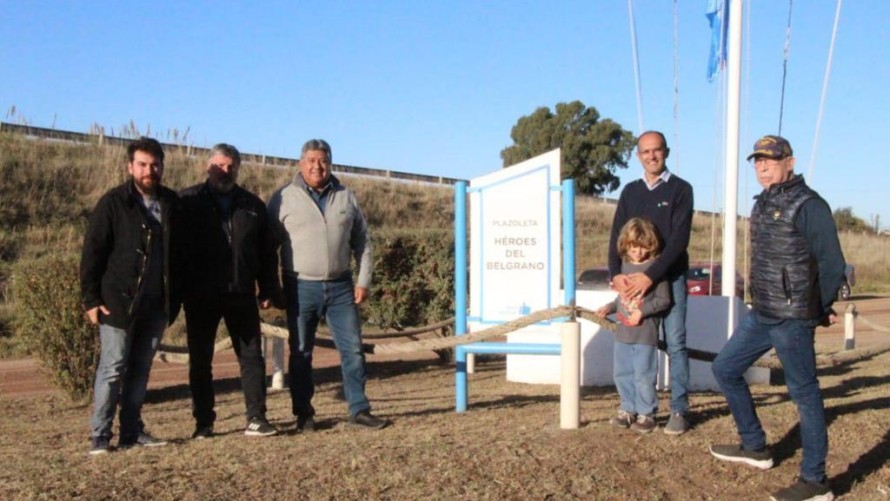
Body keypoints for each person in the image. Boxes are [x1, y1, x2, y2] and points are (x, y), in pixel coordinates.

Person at [710, 135, 845, 501]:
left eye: (770, 159)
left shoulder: (809, 205)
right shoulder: (764, 201)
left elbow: (832, 263)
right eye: (758, 161)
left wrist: (819, 308)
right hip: (763, 312)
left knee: (804, 394)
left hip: (793, 318)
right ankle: (755, 447)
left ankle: (815, 482)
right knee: (725, 368)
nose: (763, 166)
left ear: (790, 162)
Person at [267, 139, 388, 431]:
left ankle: (359, 409)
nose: (317, 166)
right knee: (301, 353)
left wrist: (364, 280)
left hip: (341, 287)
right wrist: (271, 287)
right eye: (311, 160)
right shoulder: (283, 198)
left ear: (330, 163)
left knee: (353, 350)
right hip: (300, 286)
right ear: (301, 163)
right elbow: (267, 247)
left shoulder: (346, 196)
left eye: (323, 160)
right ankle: (304, 415)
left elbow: (363, 242)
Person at [80, 137, 181, 454]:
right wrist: (91, 299)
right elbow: (93, 253)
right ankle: (100, 435)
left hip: (157, 304)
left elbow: (182, 254)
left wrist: (174, 300)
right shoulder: (113, 203)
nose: (149, 170)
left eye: (154, 165)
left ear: (162, 167)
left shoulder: (172, 203)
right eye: (142, 164)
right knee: (112, 368)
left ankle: (131, 431)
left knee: (140, 369)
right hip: (117, 304)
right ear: (130, 167)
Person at [180, 143, 281, 439]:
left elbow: (266, 252)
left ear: (237, 169)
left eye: (231, 166)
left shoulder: (252, 205)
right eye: (219, 166)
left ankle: (256, 417)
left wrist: (268, 288)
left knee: (251, 358)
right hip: (201, 295)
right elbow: (177, 251)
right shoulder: (187, 202)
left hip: (241, 292)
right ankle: (203, 423)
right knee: (200, 360)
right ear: (207, 167)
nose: (225, 171)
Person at [608, 130, 694, 435]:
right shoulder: (630, 191)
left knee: (675, 343)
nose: (651, 156)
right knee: (632, 348)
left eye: (656, 150)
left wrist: (650, 275)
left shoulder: (681, 189)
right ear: (638, 156)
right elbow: (617, 234)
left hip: (669, 278)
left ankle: (679, 409)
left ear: (665, 152)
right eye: (645, 151)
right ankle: (633, 407)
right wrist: (615, 274)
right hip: (633, 283)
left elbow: (679, 240)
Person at [597, 217, 671, 434]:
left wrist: (642, 312)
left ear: (651, 245)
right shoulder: (623, 267)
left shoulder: (655, 270)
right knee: (622, 373)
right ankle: (627, 409)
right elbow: (623, 298)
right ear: (625, 245)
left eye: (643, 247)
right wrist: (610, 307)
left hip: (645, 334)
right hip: (622, 333)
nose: (638, 252)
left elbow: (663, 300)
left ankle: (647, 413)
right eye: (633, 247)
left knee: (644, 376)